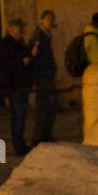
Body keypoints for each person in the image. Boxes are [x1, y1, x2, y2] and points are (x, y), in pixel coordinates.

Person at [0, 18, 32, 156]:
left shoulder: (19, 43)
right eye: (19, 27)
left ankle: (20, 143)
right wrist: (22, 62)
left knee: (21, 116)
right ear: (11, 29)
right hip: (14, 86)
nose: (22, 30)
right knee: (18, 116)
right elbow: (4, 67)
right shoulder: (6, 45)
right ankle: (19, 146)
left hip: (21, 85)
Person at [29, 10, 58, 144]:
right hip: (42, 75)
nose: (50, 21)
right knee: (43, 105)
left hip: (46, 74)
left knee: (48, 105)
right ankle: (40, 135)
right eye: (48, 18)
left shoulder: (46, 35)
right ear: (42, 20)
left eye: (52, 19)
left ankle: (45, 134)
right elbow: (34, 54)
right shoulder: (39, 35)